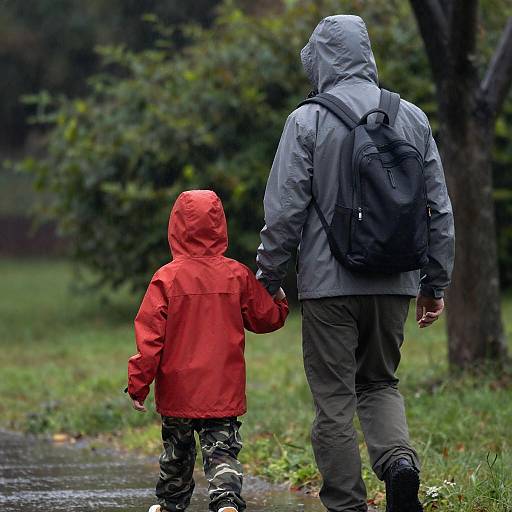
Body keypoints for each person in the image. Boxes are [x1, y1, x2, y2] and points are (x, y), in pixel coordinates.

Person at [256, 14, 455, 512]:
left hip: (328, 285)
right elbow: (439, 207)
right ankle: (400, 465)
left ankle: (347, 505)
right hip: (396, 282)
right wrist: (435, 281)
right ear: (365, 54)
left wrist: (269, 274)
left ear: (320, 60)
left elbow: (285, 209)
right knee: (381, 383)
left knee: (334, 400)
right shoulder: (412, 117)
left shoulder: (307, 120)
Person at [127, 190, 288, 512]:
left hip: (178, 390)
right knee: (222, 451)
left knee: (177, 451)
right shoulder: (236, 274)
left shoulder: (166, 278)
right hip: (222, 388)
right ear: (219, 226)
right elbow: (264, 319)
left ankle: (170, 504)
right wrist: (280, 300)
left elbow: (149, 338)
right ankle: (227, 501)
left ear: (176, 228)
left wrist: (138, 384)